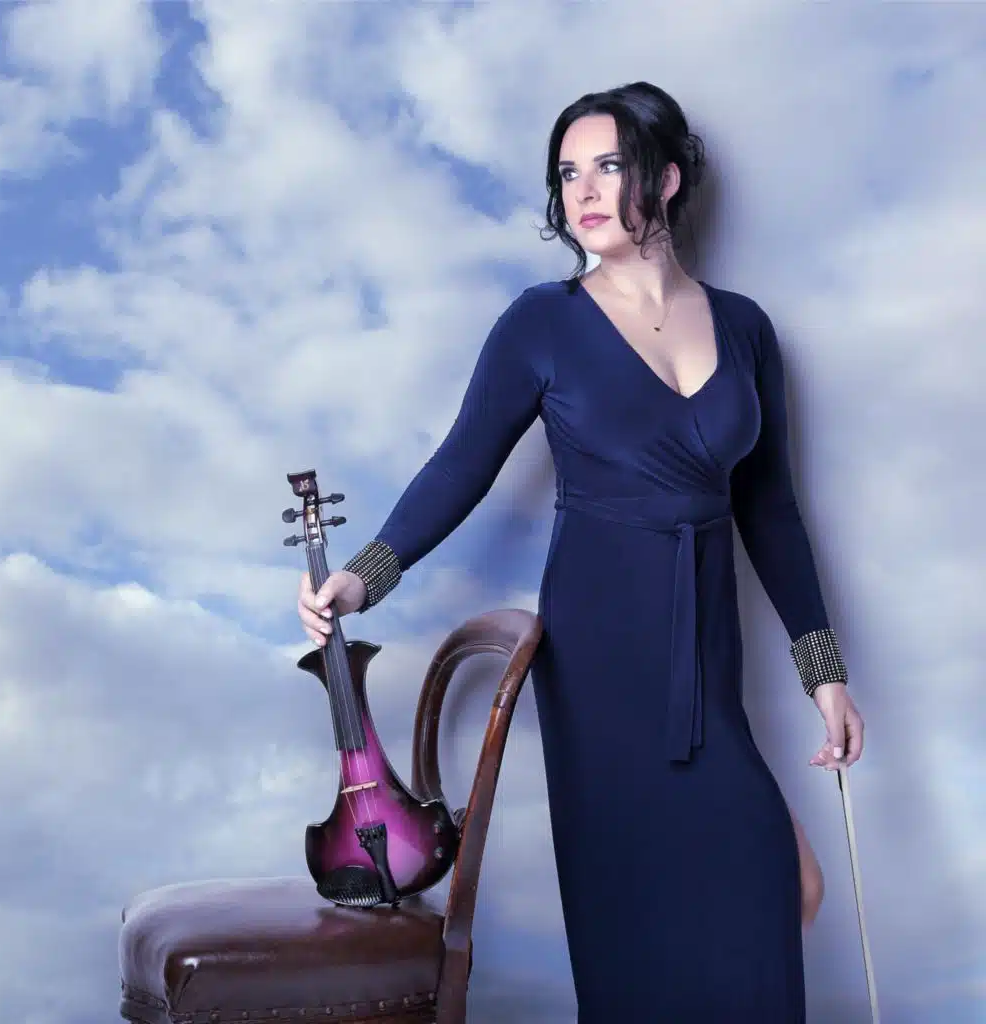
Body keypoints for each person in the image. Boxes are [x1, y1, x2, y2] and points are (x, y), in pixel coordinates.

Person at [297, 81, 865, 1022]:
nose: (584, 191)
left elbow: (771, 510)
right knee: (635, 930)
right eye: (568, 173)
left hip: (704, 658)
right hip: (598, 660)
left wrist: (824, 670)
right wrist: (363, 578)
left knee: (779, 891)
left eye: (608, 166)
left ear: (667, 178)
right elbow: (461, 464)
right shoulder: (541, 321)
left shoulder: (746, 327)